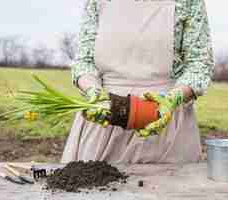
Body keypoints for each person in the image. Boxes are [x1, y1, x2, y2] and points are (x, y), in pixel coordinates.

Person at [61, 0, 214, 164]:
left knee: (170, 187)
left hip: (165, 124)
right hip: (104, 120)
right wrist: (93, 90)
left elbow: (200, 64)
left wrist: (172, 99)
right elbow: (84, 61)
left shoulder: (190, 2)